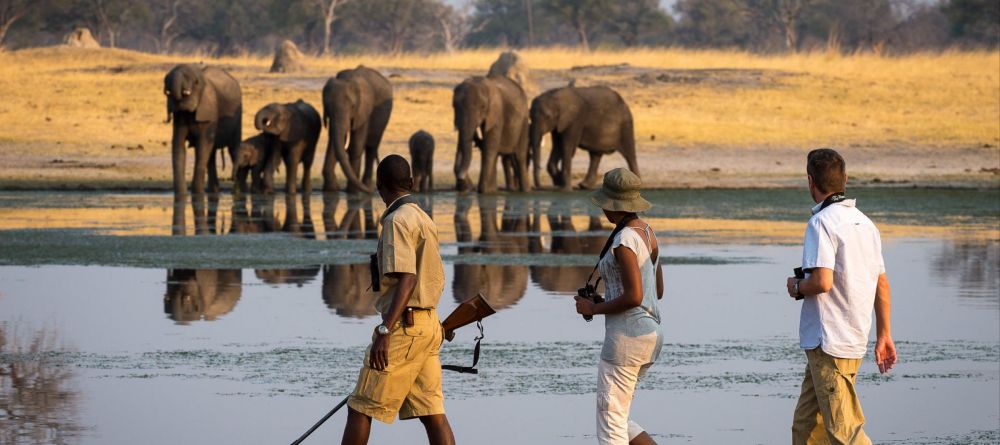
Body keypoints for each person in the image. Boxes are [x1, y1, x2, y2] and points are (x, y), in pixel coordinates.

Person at [342, 154, 455, 445]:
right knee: (432, 412)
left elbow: (408, 279)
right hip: (428, 327)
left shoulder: (397, 220)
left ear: (379, 186)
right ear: (412, 183)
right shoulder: (424, 217)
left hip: (404, 328)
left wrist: (384, 331)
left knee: (360, 407)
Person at [786, 148, 897, 445]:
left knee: (844, 432)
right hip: (847, 340)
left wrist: (796, 286)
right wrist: (884, 335)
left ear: (810, 181)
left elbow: (822, 282)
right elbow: (881, 283)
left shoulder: (821, 222)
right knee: (806, 429)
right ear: (845, 179)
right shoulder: (866, 223)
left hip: (830, 343)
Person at [575, 168, 664, 445]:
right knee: (619, 418)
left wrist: (593, 309)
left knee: (610, 425)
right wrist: (604, 301)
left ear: (614, 205)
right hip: (650, 335)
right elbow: (656, 291)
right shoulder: (647, 233)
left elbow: (635, 296)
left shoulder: (624, 240)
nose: (603, 209)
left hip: (626, 340)